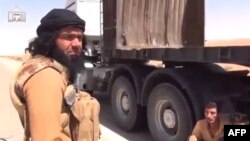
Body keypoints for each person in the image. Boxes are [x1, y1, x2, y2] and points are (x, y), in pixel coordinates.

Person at [9, 8, 100, 141]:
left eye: (79, 37)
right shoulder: (46, 77)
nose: (76, 44)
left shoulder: (57, 68)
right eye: (68, 37)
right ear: (50, 40)